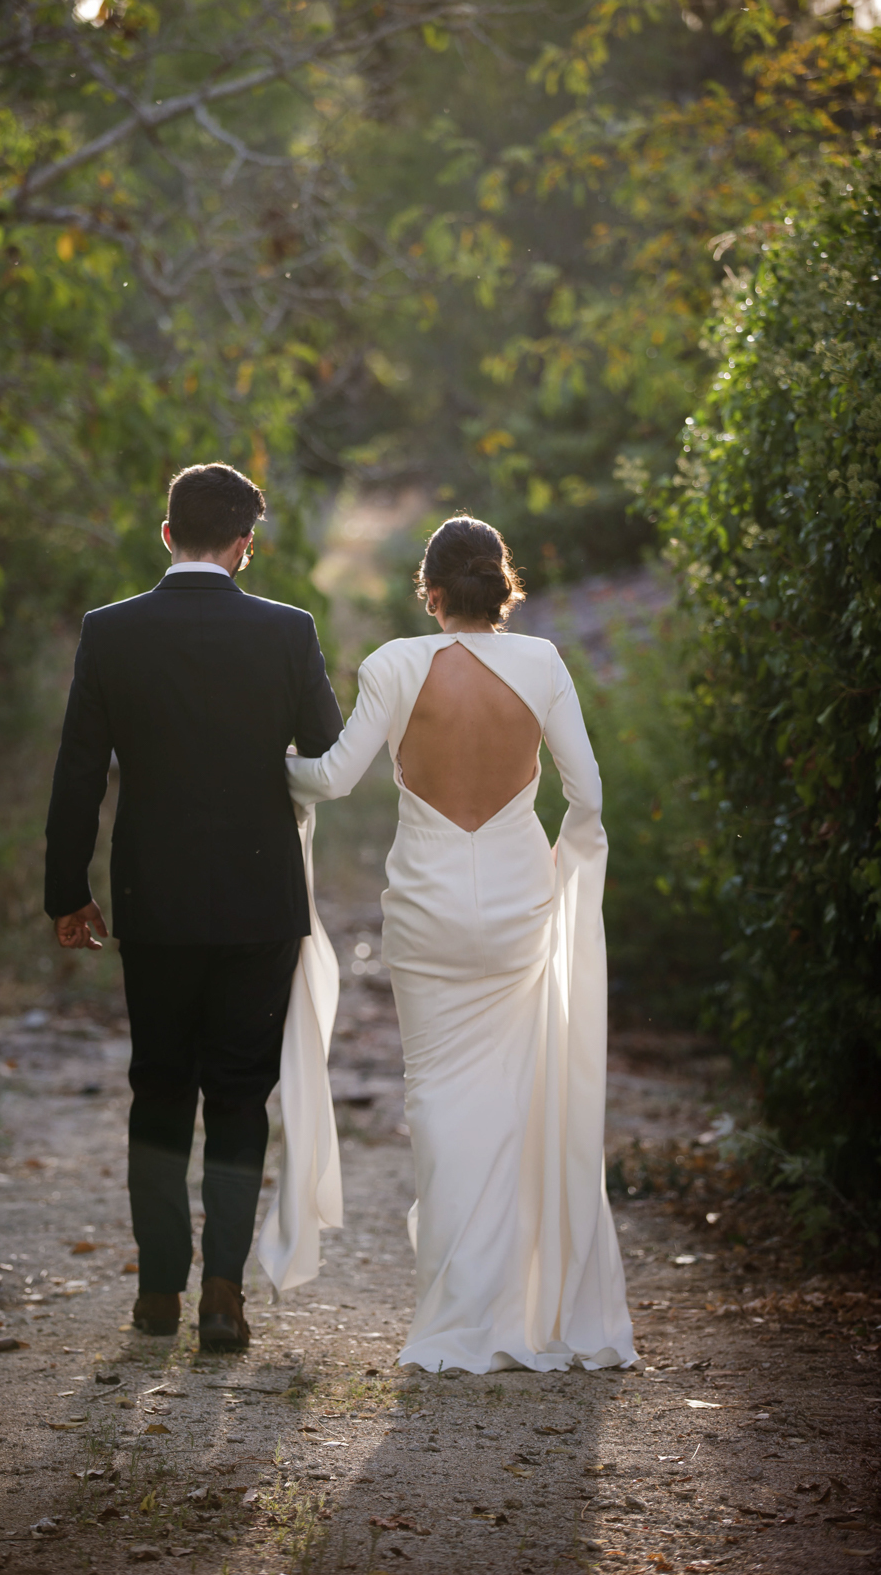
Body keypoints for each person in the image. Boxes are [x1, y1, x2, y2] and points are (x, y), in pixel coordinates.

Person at [286, 516, 636, 1374]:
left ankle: (455, 1311)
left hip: (428, 911)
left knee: (438, 1098)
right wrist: (561, 874)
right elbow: (587, 795)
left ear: (430, 591)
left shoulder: (394, 664)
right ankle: (518, 1301)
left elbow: (330, 779)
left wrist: (270, 761)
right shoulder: (542, 663)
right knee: (516, 1099)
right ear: (501, 589)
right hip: (519, 905)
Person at [44, 463, 343, 1352]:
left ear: (167, 533)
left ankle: (156, 1294)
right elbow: (324, 748)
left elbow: (77, 773)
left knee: (160, 1086)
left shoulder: (110, 631)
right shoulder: (288, 630)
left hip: (155, 896)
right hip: (260, 898)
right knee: (242, 1095)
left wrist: (68, 891)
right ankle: (222, 1294)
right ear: (245, 545)